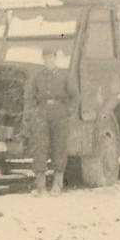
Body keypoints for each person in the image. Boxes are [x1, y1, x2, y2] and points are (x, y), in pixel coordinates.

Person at [29, 47, 80, 196]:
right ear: (43, 60)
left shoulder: (65, 76)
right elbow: (31, 96)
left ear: (55, 59)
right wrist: (35, 112)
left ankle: (57, 185)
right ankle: (40, 186)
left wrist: (68, 112)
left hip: (60, 115)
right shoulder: (38, 77)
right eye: (46, 58)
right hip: (42, 114)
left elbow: (75, 97)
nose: (48, 61)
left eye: (51, 58)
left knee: (59, 147)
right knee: (40, 147)